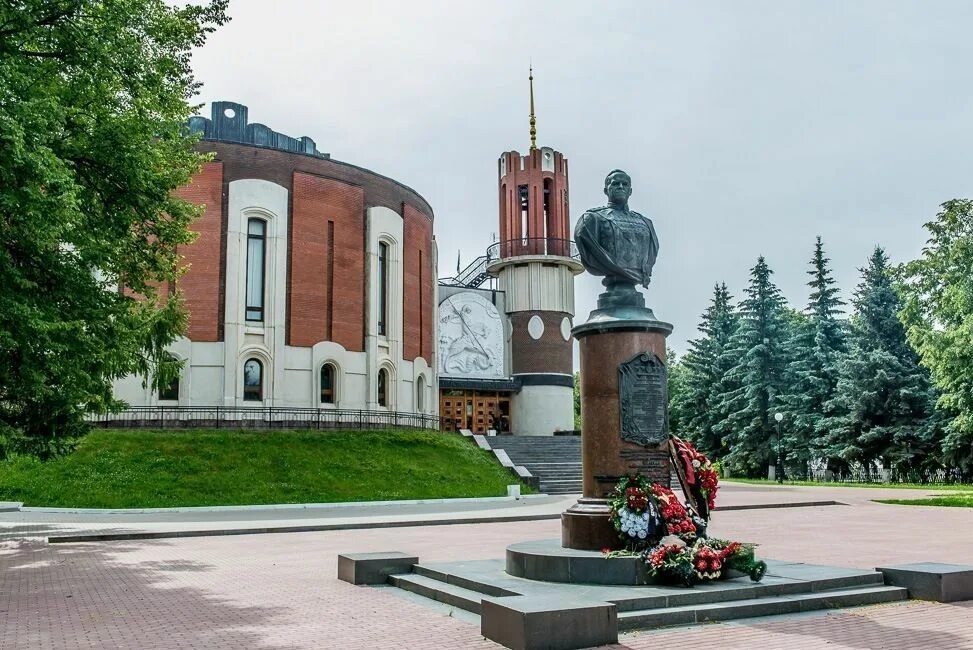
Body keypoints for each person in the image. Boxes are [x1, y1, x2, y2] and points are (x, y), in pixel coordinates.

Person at [574, 170, 659, 288]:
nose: (620, 187)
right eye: (615, 184)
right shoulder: (592, 219)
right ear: (606, 190)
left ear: (630, 191)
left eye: (624, 184)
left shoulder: (646, 223)